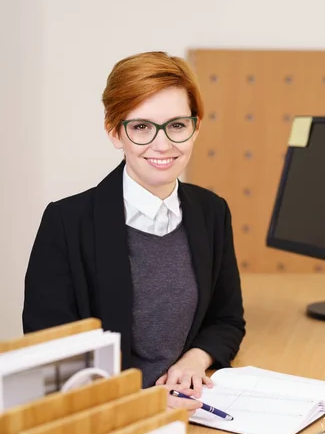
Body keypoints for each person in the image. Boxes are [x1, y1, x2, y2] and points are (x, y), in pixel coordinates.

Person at [22, 51, 246, 413]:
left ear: (196, 127)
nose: (163, 144)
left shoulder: (211, 211)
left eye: (177, 125)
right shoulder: (66, 222)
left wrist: (194, 360)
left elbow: (226, 319)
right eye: (141, 127)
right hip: (107, 418)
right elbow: (49, 355)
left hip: (196, 409)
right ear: (115, 132)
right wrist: (143, 404)